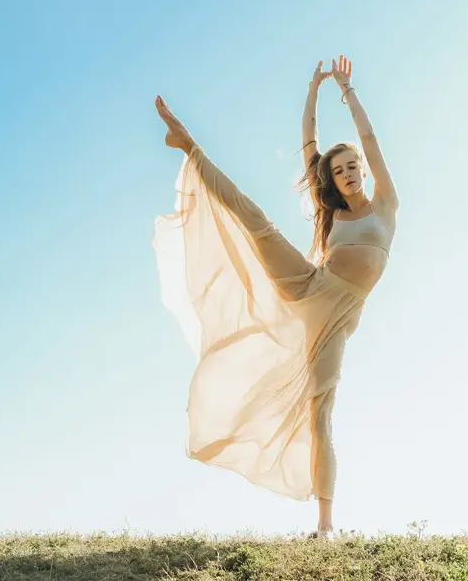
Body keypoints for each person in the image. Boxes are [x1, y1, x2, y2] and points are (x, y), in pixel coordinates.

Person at [152, 55, 398, 539]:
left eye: (352, 166)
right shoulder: (331, 216)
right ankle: (190, 148)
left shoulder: (386, 204)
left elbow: (369, 140)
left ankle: (325, 525)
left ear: (364, 171)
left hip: (337, 319)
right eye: (339, 169)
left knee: (319, 410)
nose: (347, 172)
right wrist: (312, 89)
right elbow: (309, 147)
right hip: (311, 288)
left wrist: (346, 91)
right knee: (256, 222)